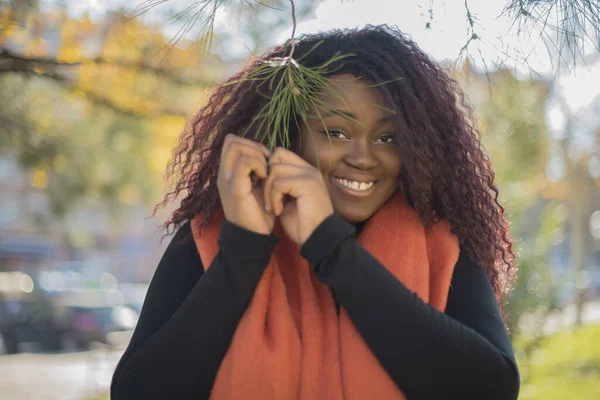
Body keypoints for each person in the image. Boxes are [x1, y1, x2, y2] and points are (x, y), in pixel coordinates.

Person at [111, 25, 520, 399]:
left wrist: (333, 249)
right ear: (291, 134)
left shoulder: (442, 242)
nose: (363, 157)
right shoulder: (212, 235)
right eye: (335, 132)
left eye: (387, 137)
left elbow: (492, 387)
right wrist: (242, 252)